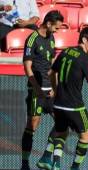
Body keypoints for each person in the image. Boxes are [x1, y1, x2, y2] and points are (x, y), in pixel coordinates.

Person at [49, 27, 88, 170]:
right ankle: (75, 167)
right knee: (86, 135)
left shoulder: (65, 51)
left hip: (58, 104)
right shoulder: (85, 59)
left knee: (61, 132)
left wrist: (55, 89)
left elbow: (51, 73)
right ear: (84, 40)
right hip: (74, 106)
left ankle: (56, 163)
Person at [21, 10, 63, 170]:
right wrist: (37, 88)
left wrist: (55, 87)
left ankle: (47, 156)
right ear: (48, 23)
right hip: (36, 90)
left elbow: (53, 67)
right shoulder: (32, 39)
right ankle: (24, 164)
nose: (57, 31)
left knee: (62, 123)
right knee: (32, 125)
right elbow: (27, 67)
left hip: (50, 90)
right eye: (56, 28)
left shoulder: (51, 38)